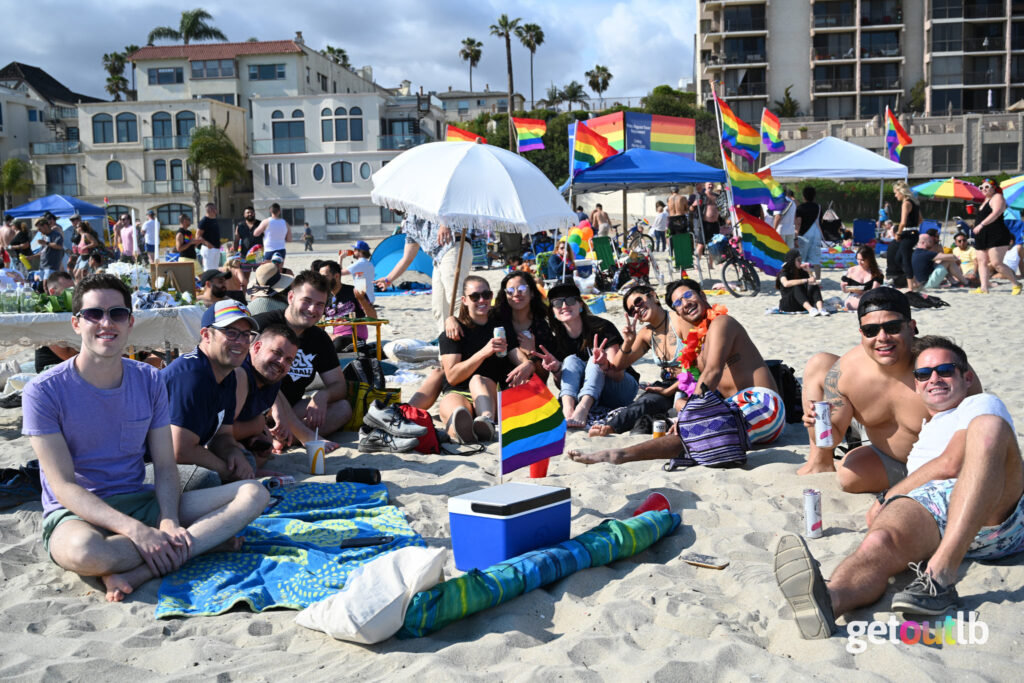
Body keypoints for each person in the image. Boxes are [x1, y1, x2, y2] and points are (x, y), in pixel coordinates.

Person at [22, 274, 268, 602]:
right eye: (94, 314)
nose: (106, 322)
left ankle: (147, 568)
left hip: (140, 500)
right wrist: (138, 532)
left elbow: (166, 465)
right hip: (77, 515)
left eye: (117, 314)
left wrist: (167, 520)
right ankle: (201, 543)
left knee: (254, 493)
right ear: (76, 323)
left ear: (130, 323)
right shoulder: (43, 391)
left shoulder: (149, 379)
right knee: (85, 553)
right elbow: (65, 487)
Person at [775, 336, 1023, 638]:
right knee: (878, 543)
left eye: (945, 370)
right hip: (936, 513)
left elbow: (951, 464)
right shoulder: (922, 440)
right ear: (917, 385)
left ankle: (940, 576)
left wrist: (889, 497)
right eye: (923, 374)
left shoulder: (979, 403)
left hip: (997, 514)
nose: (934, 379)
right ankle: (831, 599)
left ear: (967, 377)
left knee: (989, 427)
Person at [568, 279, 783, 464]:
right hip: (733, 406)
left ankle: (621, 454)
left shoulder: (721, 322)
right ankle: (622, 452)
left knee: (691, 428)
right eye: (678, 303)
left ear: (701, 294)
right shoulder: (696, 342)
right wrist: (628, 342)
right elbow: (694, 377)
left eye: (688, 296)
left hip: (763, 404)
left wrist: (688, 413)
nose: (685, 304)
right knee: (684, 425)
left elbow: (712, 374)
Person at [797, 287, 981, 489]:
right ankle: (821, 462)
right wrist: (817, 425)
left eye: (892, 327)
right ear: (861, 333)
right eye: (871, 331)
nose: (882, 337)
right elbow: (830, 440)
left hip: (949, 468)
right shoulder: (846, 372)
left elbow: (979, 432)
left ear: (911, 327)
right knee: (849, 476)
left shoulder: (940, 368)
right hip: (895, 461)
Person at [162, 300, 261, 487]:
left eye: (246, 335)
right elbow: (180, 450)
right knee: (208, 480)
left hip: (174, 455)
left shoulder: (228, 374)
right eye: (231, 333)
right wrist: (227, 472)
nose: (240, 341)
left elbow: (222, 435)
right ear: (206, 335)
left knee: (246, 461)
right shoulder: (192, 376)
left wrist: (233, 453)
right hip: (139, 466)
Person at [253, 271, 352, 451]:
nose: (312, 309)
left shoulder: (319, 338)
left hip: (293, 409)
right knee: (271, 381)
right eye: (306, 301)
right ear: (291, 297)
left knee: (343, 408)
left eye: (319, 304)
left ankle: (280, 437)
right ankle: (295, 435)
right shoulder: (263, 325)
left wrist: (322, 395)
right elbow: (246, 373)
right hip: (257, 406)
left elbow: (339, 385)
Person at [438, 276, 533, 443]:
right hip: (458, 390)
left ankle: (486, 421)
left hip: (488, 391)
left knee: (477, 379)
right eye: (475, 296)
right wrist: (484, 352)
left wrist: (528, 364)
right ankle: (462, 433)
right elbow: (452, 377)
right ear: (464, 300)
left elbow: (516, 355)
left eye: (487, 295)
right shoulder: (454, 332)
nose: (482, 300)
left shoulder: (500, 328)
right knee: (456, 413)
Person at [533, 280, 639, 429]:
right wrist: (557, 371)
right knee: (570, 360)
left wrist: (605, 365)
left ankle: (582, 409)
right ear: (553, 311)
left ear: (580, 305)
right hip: (588, 393)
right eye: (557, 303)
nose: (564, 306)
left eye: (570, 300)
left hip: (619, 389)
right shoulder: (557, 339)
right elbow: (562, 384)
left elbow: (618, 374)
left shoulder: (602, 328)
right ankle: (568, 410)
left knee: (594, 362)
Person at [587, 284, 684, 436]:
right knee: (643, 405)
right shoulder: (646, 333)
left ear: (653, 295)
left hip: (690, 382)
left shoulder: (678, 319)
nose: (637, 309)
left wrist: (668, 391)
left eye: (638, 302)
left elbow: (698, 366)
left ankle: (612, 429)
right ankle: (611, 427)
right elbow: (618, 365)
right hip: (667, 385)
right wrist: (628, 341)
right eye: (632, 310)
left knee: (651, 406)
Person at [375, 215, 466, 334]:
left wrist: (445, 223)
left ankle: (467, 340)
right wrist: (388, 279)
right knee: (439, 308)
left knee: (456, 300)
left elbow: (446, 202)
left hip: (454, 247)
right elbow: (407, 258)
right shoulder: (409, 223)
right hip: (438, 258)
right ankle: (445, 345)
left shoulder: (424, 201)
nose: (391, 210)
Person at [971, 179, 1021, 295]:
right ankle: (984, 287)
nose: (984, 189)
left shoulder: (998, 197)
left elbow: (996, 213)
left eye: (987, 187)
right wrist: (976, 212)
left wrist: (981, 224)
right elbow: (986, 214)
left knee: (996, 263)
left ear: (994, 188)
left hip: (996, 234)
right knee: (981, 261)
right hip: (982, 234)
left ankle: (1016, 284)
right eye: (981, 187)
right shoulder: (985, 201)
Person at [319, 259, 378, 354]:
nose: (321, 280)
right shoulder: (324, 298)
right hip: (336, 338)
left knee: (338, 344)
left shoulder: (354, 292)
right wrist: (331, 336)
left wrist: (362, 299)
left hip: (355, 338)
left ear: (337, 276)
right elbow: (319, 329)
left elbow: (374, 321)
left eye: (324, 277)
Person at [34, 272, 78, 373]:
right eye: (68, 291)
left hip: (68, 364)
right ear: (52, 292)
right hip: (51, 368)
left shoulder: (67, 311)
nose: (74, 294)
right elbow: (67, 355)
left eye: (74, 290)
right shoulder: (46, 316)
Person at [884, 181, 922, 287]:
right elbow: (920, 219)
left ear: (901, 192)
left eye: (896, 193)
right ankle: (915, 282)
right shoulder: (915, 202)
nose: (895, 195)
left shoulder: (906, 203)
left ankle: (911, 287)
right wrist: (913, 226)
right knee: (899, 258)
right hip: (914, 233)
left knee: (905, 259)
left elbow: (902, 223)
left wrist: (899, 234)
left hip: (907, 233)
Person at [776, 249, 829, 316]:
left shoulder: (801, 270)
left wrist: (809, 271)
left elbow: (813, 281)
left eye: (801, 259)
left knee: (814, 285)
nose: (801, 262)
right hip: (789, 304)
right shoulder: (783, 272)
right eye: (798, 260)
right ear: (792, 261)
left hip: (801, 303)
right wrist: (805, 280)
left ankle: (821, 309)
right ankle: (811, 309)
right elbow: (785, 283)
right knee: (796, 285)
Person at [793, 186, 823, 281]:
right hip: (816, 234)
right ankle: (818, 279)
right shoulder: (819, 207)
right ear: (814, 196)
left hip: (804, 235)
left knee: (801, 258)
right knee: (816, 258)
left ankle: (804, 278)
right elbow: (820, 221)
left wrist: (796, 237)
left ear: (803, 196)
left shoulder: (800, 208)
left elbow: (798, 224)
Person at [840, 245, 883, 311]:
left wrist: (861, 292)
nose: (859, 262)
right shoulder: (851, 270)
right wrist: (843, 287)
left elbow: (873, 291)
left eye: (862, 260)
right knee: (853, 303)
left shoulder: (877, 272)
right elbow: (845, 291)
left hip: (870, 297)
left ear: (869, 259)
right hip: (854, 297)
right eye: (857, 259)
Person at [195, 203, 222, 272]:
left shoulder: (214, 220)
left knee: (215, 270)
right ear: (210, 210)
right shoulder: (204, 221)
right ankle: (207, 283)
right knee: (208, 270)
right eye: (215, 209)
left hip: (216, 249)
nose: (216, 210)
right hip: (208, 249)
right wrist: (207, 244)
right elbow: (197, 236)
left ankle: (214, 283)